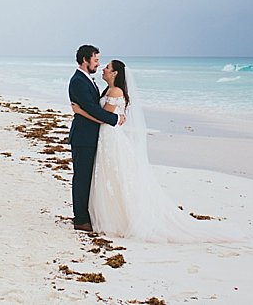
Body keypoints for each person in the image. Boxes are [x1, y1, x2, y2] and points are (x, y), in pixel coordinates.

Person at [72, 59, 240, 242]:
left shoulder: (114, 91)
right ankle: (101, 216)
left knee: (115, 176)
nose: (103, 68)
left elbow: (104, 117)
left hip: (110, 137)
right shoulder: (107, 89)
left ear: (115, 74)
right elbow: (105, 114)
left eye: (107, 67)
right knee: (109, 177)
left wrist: (81, 112)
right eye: (100, 63)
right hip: (105, 138)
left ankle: (113, 218)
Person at [67, 44, 124, 232]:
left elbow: (93, 110)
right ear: (85, 60)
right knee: (82, 178)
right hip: (83, 137)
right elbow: (94, 111)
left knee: (89, 178)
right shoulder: (78, 81)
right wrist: (115, 119)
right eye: (96, 60)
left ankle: (88, 215)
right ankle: (81, 220)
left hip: (92, 137)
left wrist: (81, 111)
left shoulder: (88, 80)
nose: (98, 64)